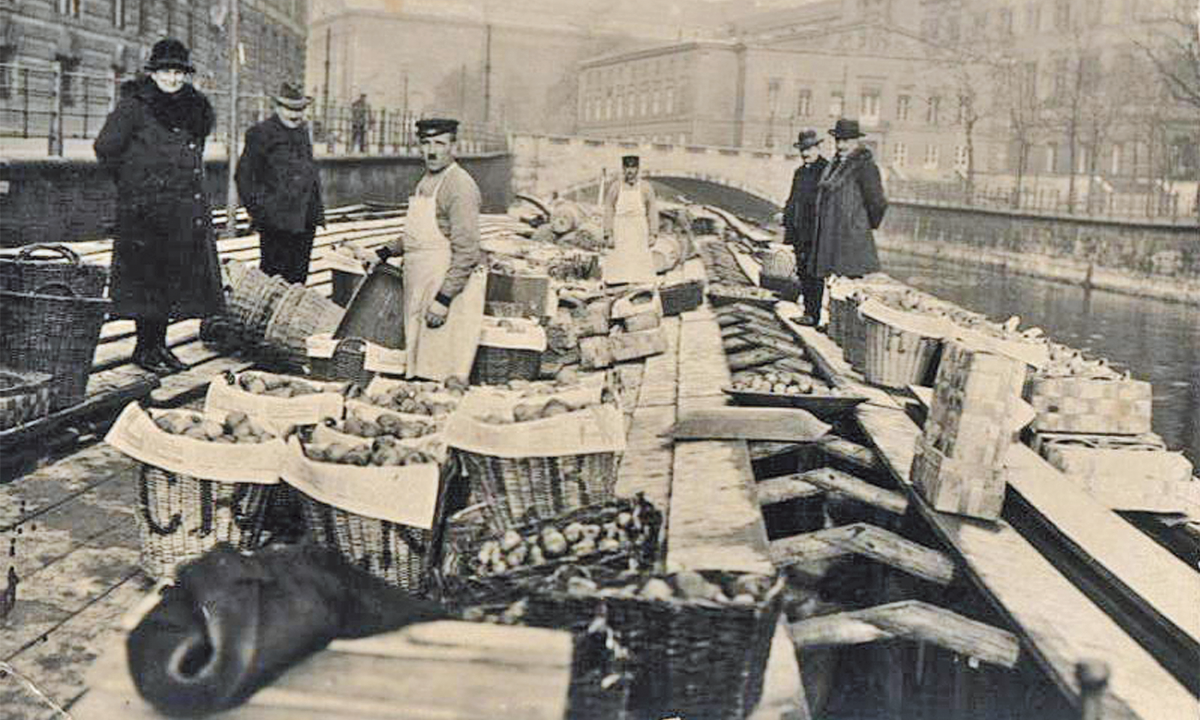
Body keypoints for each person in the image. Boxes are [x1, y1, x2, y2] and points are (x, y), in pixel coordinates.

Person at [94, 38, 223, 375]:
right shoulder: (134, 106)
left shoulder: (194, 108)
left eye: (179, 72)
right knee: (146, 282)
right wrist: (134, 184)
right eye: (166, 71)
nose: (173, 78)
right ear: (153, 73)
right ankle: (143, 349)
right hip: (145, 212)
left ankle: (159, 346)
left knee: (170, 282)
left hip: (180, 211)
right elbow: (106, 148)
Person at [374, 118, 486, 381]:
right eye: (426, 143)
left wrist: (444, 299)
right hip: (420, 284)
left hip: (444, 288)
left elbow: (468, 251)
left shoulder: (459, 186)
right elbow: (419, 235)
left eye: (440, 143)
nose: (432, 151)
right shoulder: (426, 181)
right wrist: (385, 252)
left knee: (439, 371)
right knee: (418, 367)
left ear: (454, 146)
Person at [236, 81, 325, 284]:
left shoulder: (302, 132)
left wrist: (315, 211)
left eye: (300, 109)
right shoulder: (260, 133)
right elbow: (244, 178)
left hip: (304, 220)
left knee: (297, 280)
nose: (296, 114)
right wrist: (262, 213)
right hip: (276, 222)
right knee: (273, 281)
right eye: (290, 109)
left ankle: (290, 315)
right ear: (277, 108)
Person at [810, 118, 887, 290]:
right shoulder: (834, 165)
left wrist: (863, 225)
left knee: (849, 288)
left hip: (851, 238)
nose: (840, 145)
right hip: (831, 236)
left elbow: (878, 202)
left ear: (856, 141)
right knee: (832, 285)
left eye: (846, 141)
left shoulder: (865, 166)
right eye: (838, 140)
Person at [782, 129, 829, 325]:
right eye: (803, 149)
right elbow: (793, 199)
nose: (805, 153)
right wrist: (786, 216)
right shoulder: (800, 172)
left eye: (809, 149)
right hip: (800, 231)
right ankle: (808, 311)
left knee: (814, 273)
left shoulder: (826, 170)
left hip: (817, 231)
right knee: (802, 270)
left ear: (818, 148)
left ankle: (813, 314)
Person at [601, 155, 658, 285]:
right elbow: (609, 210)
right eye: (627, 168)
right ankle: (618, 285)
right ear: (623, 169)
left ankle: (641, 287)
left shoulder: (646, 187)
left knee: (640, 265)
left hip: (639, 229)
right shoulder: (615, 187)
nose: (630, 171)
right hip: (621, 228)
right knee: (619, 263)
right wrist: (608, 234)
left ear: (638, 169)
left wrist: (653, 234)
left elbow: (652, 211)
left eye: (633, 168)